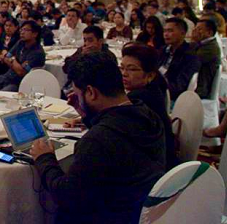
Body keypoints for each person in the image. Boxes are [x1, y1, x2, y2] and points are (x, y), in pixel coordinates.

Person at [30, 52, 166, 224]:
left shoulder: (97, 141)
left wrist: (44, 158)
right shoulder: (149, 117)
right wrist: (86, 114)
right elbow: (116, 130)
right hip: (141, 212)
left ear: (91, 92)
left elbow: (66, 196)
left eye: (79, 94)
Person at [121, 44, 178, 169]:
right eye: (122, 68)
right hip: (161, 161)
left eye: (132, 69)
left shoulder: (140, 99)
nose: (124, 74)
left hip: (154, 169)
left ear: (150, 75)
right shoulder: (154, 89)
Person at [0, 20, 45, 92]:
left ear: (35, 34)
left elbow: (21, 72)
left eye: (26, 30)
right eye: (21, 29)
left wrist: (12, 60)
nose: (22, 32)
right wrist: (15, 61)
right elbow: (6, 57)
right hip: (6, 77)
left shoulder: (37, 52)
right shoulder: (20, 43)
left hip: (19, 84)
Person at [159, 17, 201, 101]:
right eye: (165, 31)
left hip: (170, 97)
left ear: (183, 33)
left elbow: (179, 86)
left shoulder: (190, 56)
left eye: (170, 31)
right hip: (156, 89)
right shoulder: (163, 50)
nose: (166, 34)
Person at [192, 19, 221, 99]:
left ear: (209, 33)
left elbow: (191, 61)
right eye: (195, 28)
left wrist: (193, 40)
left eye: (199, 29)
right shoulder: (203, 44)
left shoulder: (211, 48)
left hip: (200, 89)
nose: (195, 31)